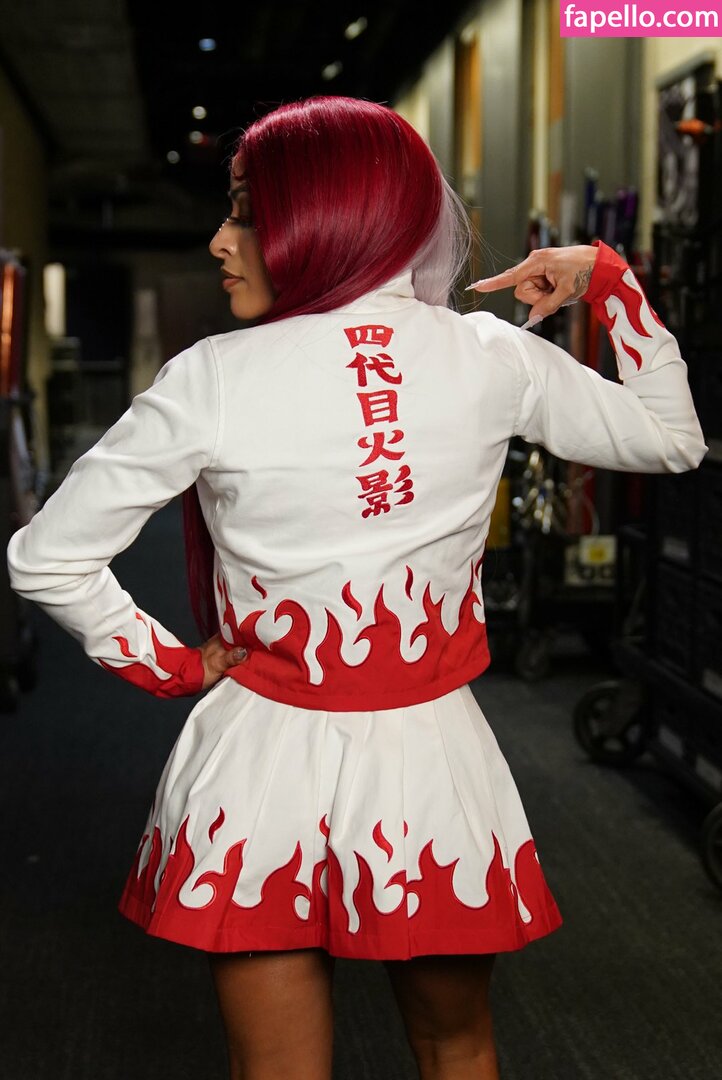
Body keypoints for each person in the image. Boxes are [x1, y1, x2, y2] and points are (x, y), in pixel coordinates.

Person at [6, 95, 707, 1080]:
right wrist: (606, 280)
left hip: (258, 761)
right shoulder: (491, 355)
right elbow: (673, 439)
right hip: (430, 757)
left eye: (247, 212)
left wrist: (171, 665)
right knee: (456, 1048)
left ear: (328, 217)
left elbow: (46, 557)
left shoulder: (212, 376)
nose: (219, 241)